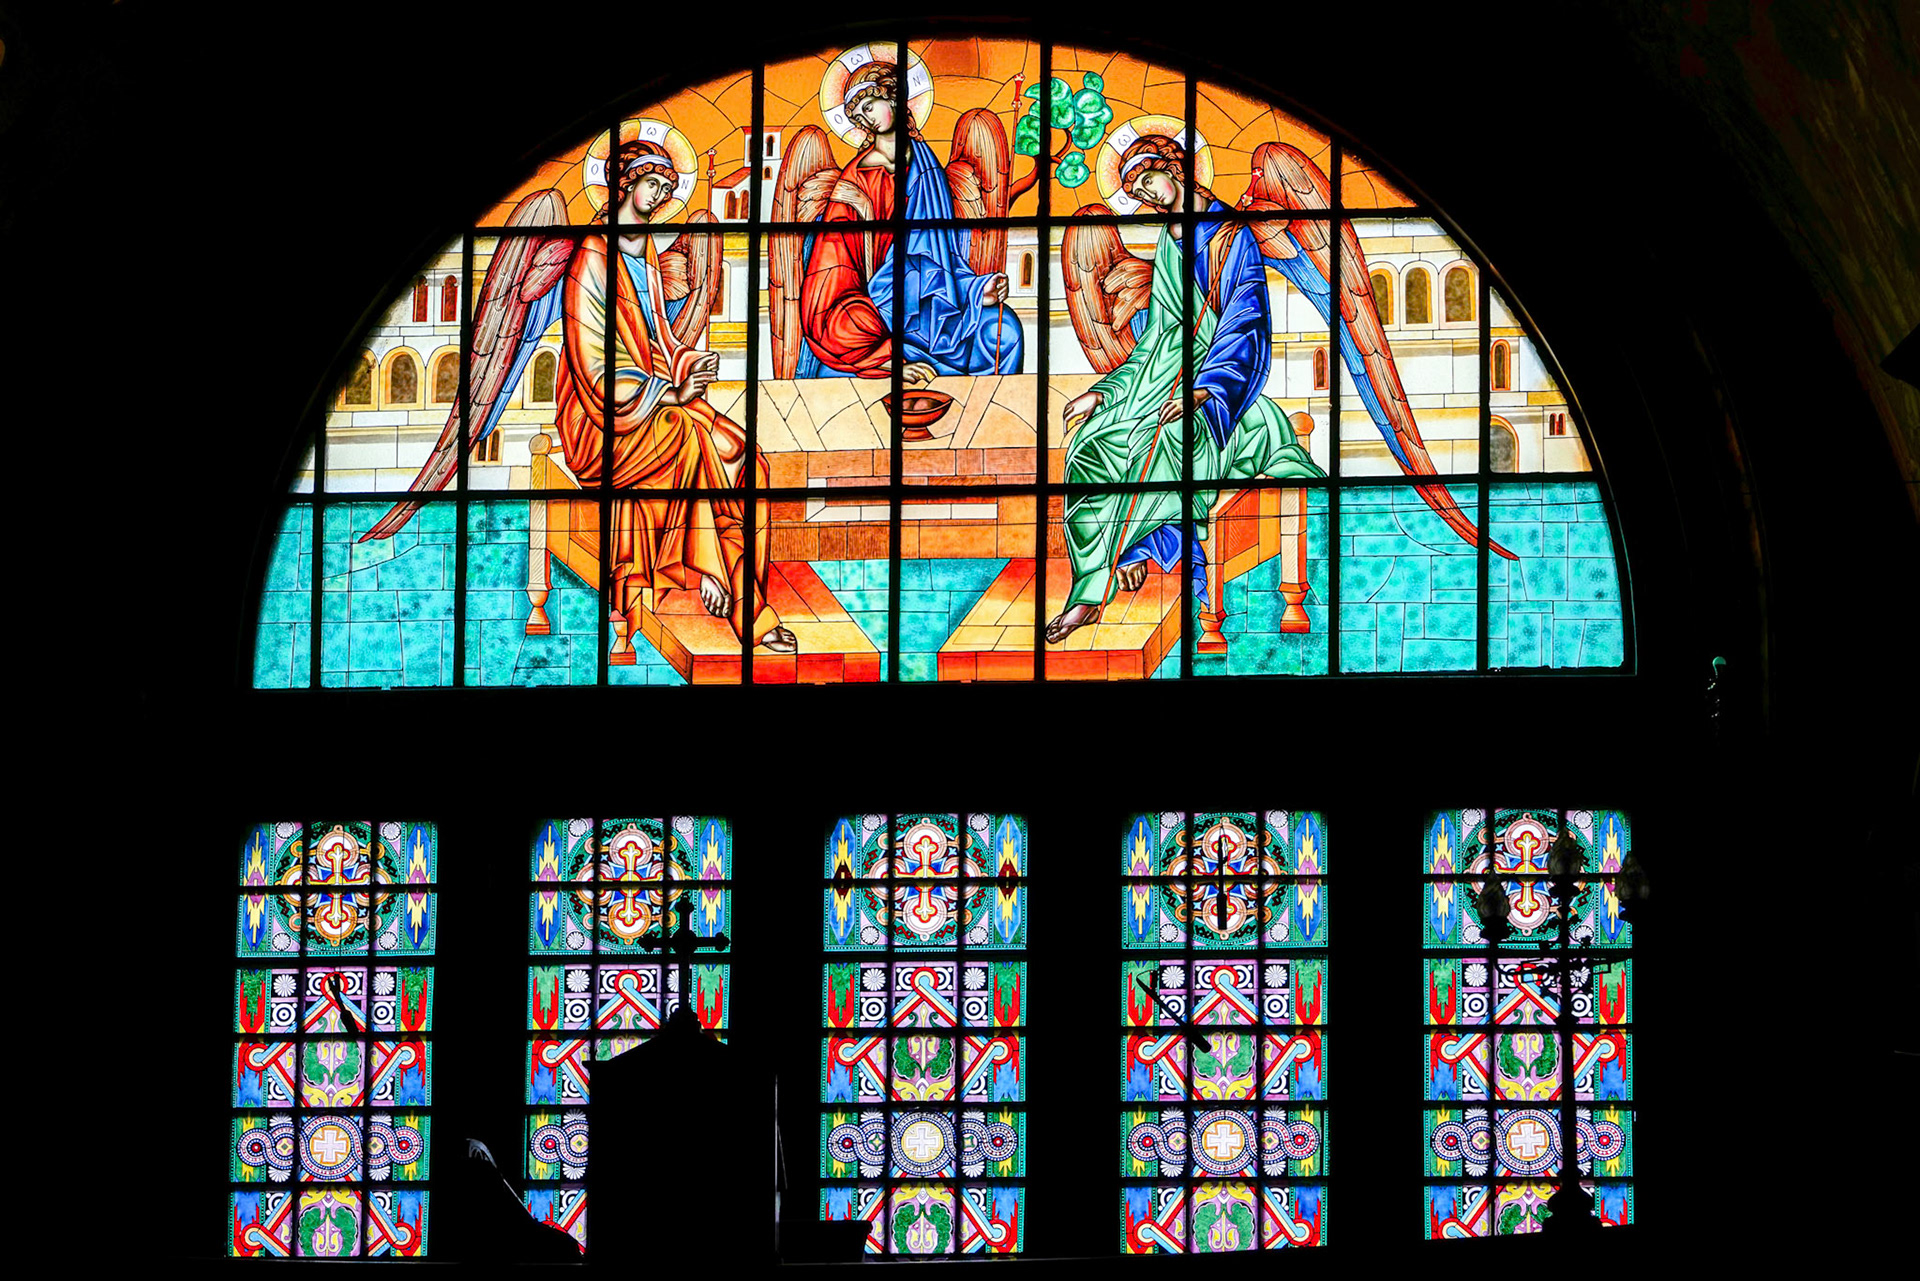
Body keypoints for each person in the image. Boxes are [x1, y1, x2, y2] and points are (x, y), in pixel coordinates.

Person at [1047, 133, 1318, 643]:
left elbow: (1247, 319)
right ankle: (1092, 586)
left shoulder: (1229, 235)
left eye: (1147, 179)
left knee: (1170, 441)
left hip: (1218, 382)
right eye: (1134, 189)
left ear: (1173, 167)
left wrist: (1207, 389)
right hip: (1159, 374)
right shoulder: (1169, 241)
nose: (1145, 195)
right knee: (1089, 446)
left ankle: (1142, 551)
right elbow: (1156, 338)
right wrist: (1105, 392)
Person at [560, 139, 797, 652]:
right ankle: (725, 586)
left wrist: (688, 362)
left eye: (668, 189)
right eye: (653, 184)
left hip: (655, 396)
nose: (660, 195)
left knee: (744, 455)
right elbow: (593, 363)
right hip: (603, 417)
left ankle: (733, 579)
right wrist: (668, 393)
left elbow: (658, 336)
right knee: (688, 434)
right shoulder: (590, 257)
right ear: (625, 183)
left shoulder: (642, 248)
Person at [798, 62, 1024, 383]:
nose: (866, 118)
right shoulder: (853, 185)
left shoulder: (927, 169)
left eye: (869, 105)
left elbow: (943, 258)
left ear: (891, 97)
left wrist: (976, 289)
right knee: (846, 328)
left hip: (930, 302)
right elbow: (832, 272)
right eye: (858, 114)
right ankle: (888, 360)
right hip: (873, 304)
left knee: (1003, 331)